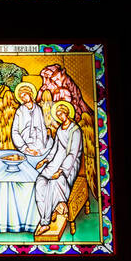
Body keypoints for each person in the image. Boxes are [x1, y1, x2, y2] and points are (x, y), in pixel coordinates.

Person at [33, 101, 82, 236]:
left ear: (67, 113)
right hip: (56, 161)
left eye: (62, 113)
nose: (60, 116)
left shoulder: (75, 130)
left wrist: (61, 170)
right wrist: (45, 160)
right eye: (58, 114)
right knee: (40, 182)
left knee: (54, 182)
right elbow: (55, 148)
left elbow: (73, 153)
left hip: (69, 166)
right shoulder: (60, 129)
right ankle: (57, 206)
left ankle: (45, 222)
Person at [11, 83, 48, 156]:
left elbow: (42, 127)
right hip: (26, 143)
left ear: (30, 93)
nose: (23, 98)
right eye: (21, 97)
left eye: (24, 95)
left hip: (39, 143)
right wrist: (24, 147)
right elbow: (14, 131)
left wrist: (43, 144)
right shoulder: (20, 111)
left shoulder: (38, 109)